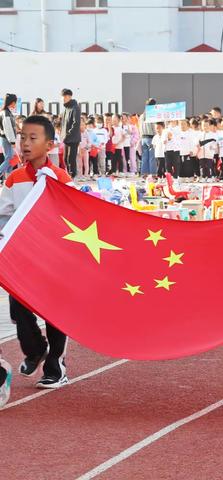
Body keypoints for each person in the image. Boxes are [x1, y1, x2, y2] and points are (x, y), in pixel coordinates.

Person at [0, 115, 74, 389]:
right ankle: (35, 350)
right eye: (22, 138)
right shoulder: (15, 179)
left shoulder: (62, 180)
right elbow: (2, 213)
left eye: (33, 139)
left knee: (55, 313)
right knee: (19, 309)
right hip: (23, 261)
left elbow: (77, 217)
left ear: (50, 144)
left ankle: (56, 366)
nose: (25, 144)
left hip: (55, 260)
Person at [60, 88, 81, 178]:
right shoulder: (65, 109)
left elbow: (76, 123)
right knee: (65, 159)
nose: (62, 99)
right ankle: (69, 175)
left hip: (73, 138)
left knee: (71, 158)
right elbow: (63, 124)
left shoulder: (75, 107)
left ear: (69, 96)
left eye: (64, 96)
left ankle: (73, 176)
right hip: (66, 138)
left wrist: (68, 134)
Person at [0, 93, 18, 181]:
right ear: (12, 102)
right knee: (9, 158)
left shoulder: (7, 112)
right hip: (6, 139)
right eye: (15, 102)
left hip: (7, 138)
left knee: (9, 160)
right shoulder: (5, 113)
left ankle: (8, 180)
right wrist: (12, 141)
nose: (15, 104)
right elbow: (8, 128)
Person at [138, 98, 157, 175]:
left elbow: (139, 127)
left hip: (143, 138)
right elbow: (154, 128)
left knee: (144, 157)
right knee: (152, 158)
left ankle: (144, 173)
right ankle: (152, 174)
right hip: (151, 138)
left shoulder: (142, 116)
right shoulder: (151, 114)